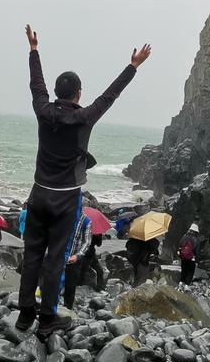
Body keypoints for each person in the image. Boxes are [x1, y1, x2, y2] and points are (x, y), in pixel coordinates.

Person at [17, 24, 151, 337]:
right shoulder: (84, 117)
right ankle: (47, 318)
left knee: (33, 254)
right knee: (55, 259)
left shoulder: (43, 110)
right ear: (78, 94)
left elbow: (36, 85)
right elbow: (110, 95)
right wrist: (133, 66)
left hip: (38, 194)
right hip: (65, 200)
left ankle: (25, 315)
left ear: (56, 92)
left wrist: (34, 50)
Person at [62, 213, 93, 309]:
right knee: (53, 280)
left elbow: (87, 242)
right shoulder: (65, 216)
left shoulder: (87, 221)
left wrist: (77, 256)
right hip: (61, 255)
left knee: (70, 285)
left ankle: (67, 308)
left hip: (75, 258)